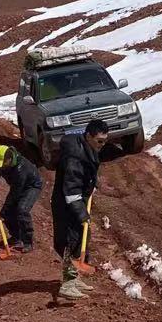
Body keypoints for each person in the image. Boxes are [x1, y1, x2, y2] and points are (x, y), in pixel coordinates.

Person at [51, 119, 108, 301]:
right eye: (99, 140)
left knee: (81, 237)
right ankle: (67, 285)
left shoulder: (86, 147)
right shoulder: (74, 157)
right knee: (70, 242)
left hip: (76, 201)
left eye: (105, 140)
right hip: (67, 205)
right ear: (88, 136)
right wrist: (82, 215)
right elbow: (71, 191)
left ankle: (74, 279)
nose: (103, 144)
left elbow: (86, 173)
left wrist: (92, 184)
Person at [0, 143, 42, 253]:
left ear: (10, 158)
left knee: (22, 210)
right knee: (9, 213)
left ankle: (27, 242)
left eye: (4, 163)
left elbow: (15, 193)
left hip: (31, 186)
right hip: (18, 186)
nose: (2, 166)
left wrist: (3, 212)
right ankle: (16, 237)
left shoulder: (21, 168)